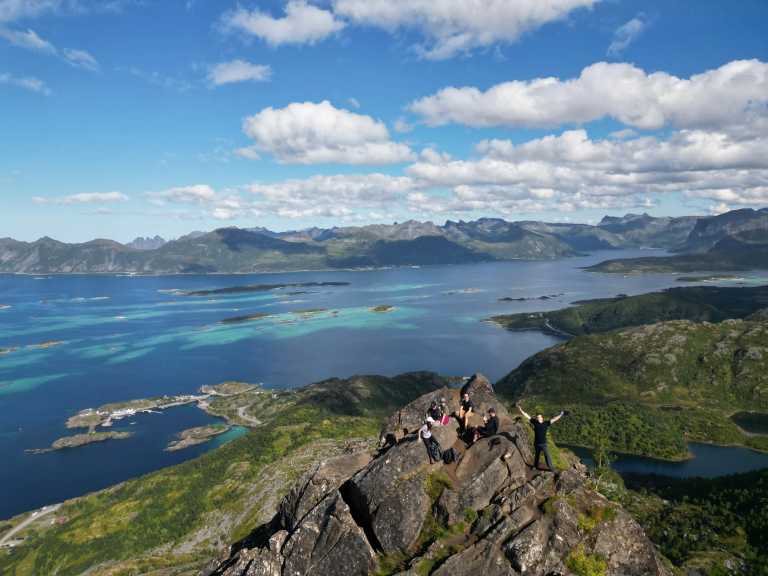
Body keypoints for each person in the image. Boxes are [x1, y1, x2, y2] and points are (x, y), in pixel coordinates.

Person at [517, 405, 565, 471]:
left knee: (547, 455)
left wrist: (561, 414)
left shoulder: (546, 423)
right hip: (536, 443)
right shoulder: (535, 422)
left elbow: (554, 419)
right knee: (537, 456)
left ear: (542, 418)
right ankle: (535, 466)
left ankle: (551, 468)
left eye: (539, 417)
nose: (538, 418)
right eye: (537, 417)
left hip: (543, 443)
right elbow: (527, 416)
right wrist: (521, 410)